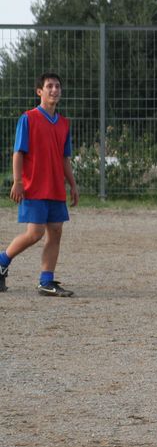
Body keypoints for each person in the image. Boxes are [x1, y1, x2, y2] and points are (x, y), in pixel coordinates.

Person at [0, 72, 79, 297]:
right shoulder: (28, 118)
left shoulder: (64, 123)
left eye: (57, 86)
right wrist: (17, 181)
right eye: (49, 86)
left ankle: (46, 281)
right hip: (34, 187)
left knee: (55, 232)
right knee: (35, 233)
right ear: (39, 91)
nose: (54, 90)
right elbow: (18, 152)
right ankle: (2, 260)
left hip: (55, 188)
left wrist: (72, 184)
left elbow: (64, 158)